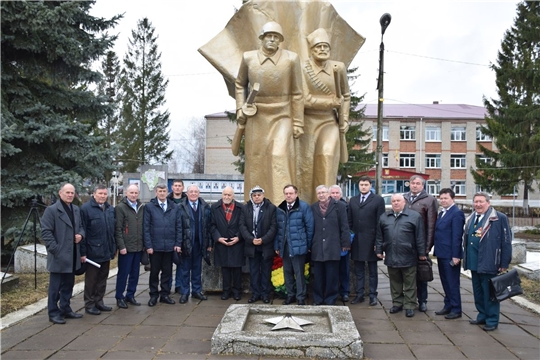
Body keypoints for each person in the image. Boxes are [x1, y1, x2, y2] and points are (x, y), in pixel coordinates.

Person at [235, 21, 304, 205]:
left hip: (282, 115)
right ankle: (254, 208)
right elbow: (240, 83)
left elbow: (297, 93)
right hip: (256, 115)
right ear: (262, 38)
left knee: (279, 156)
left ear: (280, 40)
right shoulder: (249, 58)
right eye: (269, 36)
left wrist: (297, 122)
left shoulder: (291, 59)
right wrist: (240, 107)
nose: (272, 40)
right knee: (255, 161)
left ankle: (282, 207)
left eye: (276, 37)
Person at [298, 28, 350, 204]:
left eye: (326, 46)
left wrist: (344, 119)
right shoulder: (303, 68)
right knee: (305, 166)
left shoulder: (338, 68)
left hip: (329, 121)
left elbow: (346, 95)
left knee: (326, 157)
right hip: (307, 121)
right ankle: (305, 206)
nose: (322, 50)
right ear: (311, 50)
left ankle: (326, 206)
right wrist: (331, 102)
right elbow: (304, 99)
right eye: (318, 47)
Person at [463, 192, 512, 331]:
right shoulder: (472, 217)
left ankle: (491, 320)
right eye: (476, 202)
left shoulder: (499, 218)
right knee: (478, 292)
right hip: (474, 262)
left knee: (490, 293)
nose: (478, 204)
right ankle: (482, 316)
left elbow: (506, 241)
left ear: (488, 203)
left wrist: (504, 263)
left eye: (481, 202)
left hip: (490, 261)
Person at [376, 194, 426, 318]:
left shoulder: (414, 216)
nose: (396, 203)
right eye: (393, 201)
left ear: (404, 202)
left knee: (409, 283)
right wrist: (379, 250)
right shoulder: (384, 217)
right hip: (391, 255)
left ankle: (409, 305)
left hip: (408, 255)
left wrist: (421, 253)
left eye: (398, 201)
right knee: (395, 282)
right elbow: (379, 236)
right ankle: (397, 303)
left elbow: (420, 236)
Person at [41, 183, 85, 324]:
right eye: (67, 192)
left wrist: (80, 235)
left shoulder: (76, 210)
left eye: (72, 192)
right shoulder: (52, 210)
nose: (70, 195)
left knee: (68, 284)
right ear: (60, 193)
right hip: (59, 256)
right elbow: (46, 232)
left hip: (72, 255)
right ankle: (53, 313)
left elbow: (81, 227)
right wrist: (56, 250)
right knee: (55, 287)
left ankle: (65, 308)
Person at [348, 176, 385, 306]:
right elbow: (350, 222)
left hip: (371, 240)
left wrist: (378, 243)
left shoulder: (378, 200)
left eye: (366, 184)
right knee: (358, 270)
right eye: (361, 184)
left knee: (372, 270)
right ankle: (360, 294)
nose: (363, 187)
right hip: (357, 241)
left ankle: (373, 295)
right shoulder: (353, 200)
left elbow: (380, 223)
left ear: (370, 186)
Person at [143, 184, 183, 306]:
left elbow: (178, 226)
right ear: (156, 192)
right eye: (159, 191)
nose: (162, 193)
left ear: (167, 192)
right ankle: (154, 295)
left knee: (167, 272)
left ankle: (165, 294)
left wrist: (177, 243)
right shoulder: (149, 207)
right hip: (155, 247)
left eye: (164, 191)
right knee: (154, 272)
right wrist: (148, 245)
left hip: (169, 246)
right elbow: (146, 228)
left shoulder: (174, 207)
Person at [310, 185, 350, 305]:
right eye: (319, 193)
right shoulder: (313, 207)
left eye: (323, 192)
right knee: (318, 275)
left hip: (333, 245)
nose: (321, 195)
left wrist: (345, 243)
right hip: (317, 246)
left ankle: (330, 298)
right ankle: (317, 298)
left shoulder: (340, 206)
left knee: (332, 275)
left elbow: (344, 226)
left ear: (328, 193)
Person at [80, 185, 116, 315]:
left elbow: (112, 230)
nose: (102, 196)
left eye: (105, 194)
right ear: (94, 194)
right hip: (92, 252)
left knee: (102, 279)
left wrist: (113, 248)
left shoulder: (110, 209)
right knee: (91, 280)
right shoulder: (85, 209)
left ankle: (99, 302)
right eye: (100, 193)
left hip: (106, 251)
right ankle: (89, 305)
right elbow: (82, 231)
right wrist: (82, 252)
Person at [275, 184, 314, 305]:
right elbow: (278, 229)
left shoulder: (304, 207)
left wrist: (308, 245)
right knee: (287, 272)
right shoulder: (280, 208)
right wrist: (277, 246)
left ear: (296, 194)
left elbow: (310, 227)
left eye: (291, 193)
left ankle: (301, 297)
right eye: (286, 193)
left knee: (299, 273)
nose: (288, 195)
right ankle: (290, 295)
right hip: (285, 246)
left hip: (299, 246)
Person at [404, 175, 438, 312]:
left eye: (418, 183)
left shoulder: (429, 200)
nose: (415, 185)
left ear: (422, 185)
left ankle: (422, 301)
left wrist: (427, 248)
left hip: (420, 244)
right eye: (412, 183)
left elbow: (431, 225)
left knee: (421, 274)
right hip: (405, 243)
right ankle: (407, 301)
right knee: (406, 274)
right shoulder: (404, 198)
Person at [239, 185, 278, 304]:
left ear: (263, 196)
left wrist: (263, 239)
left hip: (266, 245)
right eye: (254, 195)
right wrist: (251, 239)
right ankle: (255, 294)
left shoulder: (271, 208)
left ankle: (265, 294)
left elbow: (274, 226)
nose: (257, 197)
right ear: (251, 197)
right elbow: (242, 226)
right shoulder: (246, 208)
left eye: (259, 195)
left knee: (266, 271)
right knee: (254, 271)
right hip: (252, 246)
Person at [434, 188, 465, 319]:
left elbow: (457, 236)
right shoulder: (442, 213)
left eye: (446, 198)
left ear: (453, 199)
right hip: (441, 253)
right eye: (441, 198)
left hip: (451, 254)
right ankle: (448, 306)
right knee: (445, 282)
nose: (443, 201)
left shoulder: (456, 213)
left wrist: (456, 255)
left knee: (452, 282)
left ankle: (456, 309)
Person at [177, 185, 211, 303]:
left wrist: (209, 243)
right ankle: (185, 293)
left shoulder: (205, 207)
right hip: (185, 244)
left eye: (195, 192)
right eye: (191, 191)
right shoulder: (180, 207)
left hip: (200, 243)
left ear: (199, 193)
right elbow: (178, 227)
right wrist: (178, 244)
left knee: (197, 269)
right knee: (185, 270)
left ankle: (196, 291)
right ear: (187, 193)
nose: (193, 194)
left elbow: (208, 227)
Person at [210, 186, 244, 301]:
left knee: (237, 269)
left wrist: (239, 237)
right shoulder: (215, 207)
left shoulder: (240, 207)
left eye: (229, 195)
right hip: (222, 242)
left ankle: (237, 291)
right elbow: (212, 225)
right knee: (225, 269)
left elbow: (243, 225)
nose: (226, 197)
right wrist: (218, 238)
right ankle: (226, 291)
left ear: (233, 196)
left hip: (237, 243)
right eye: (225, 194)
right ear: (222, 195)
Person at [115, 184, 145, 309]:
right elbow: (118, 229)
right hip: (126, 248)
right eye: (131, 193)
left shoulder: (141, 207)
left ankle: (130, 294)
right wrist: (121, 246)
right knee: (123, 273)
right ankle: (119, 296)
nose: (133, 195)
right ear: (126, 193)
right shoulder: (121, 208)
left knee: (135, 273)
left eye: (135, 193)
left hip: (138, 247)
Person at [329, 184, 351, 302]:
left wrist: (346, 243)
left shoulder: (346, 206)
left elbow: (347, 226)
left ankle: (345, 291)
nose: (335, 195)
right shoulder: (326, 206)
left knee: (344, 269)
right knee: (332, 270)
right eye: (333, 193)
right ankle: (333, 292)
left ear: (340, 195)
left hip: (342, 243)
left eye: (337, 193)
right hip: (330, 243)